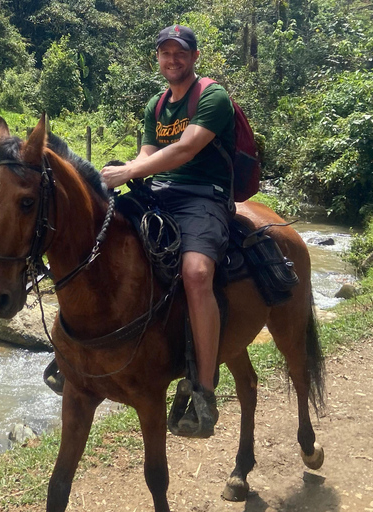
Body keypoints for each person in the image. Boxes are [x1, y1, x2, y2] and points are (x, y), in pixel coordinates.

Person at [101, 24, 236, 438]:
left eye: (180, 53)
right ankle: (80, 345)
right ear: (157, 58)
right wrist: (132, 168)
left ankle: (204, 389)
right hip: (160, 190)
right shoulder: (156, 105)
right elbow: (149, 151)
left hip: (203, 196)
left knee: (196, 273)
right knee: (102, 235)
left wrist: (131, 170)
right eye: (165, 53)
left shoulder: (212, 96)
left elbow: (186, 148)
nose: (172, 59)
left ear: (194, 57)